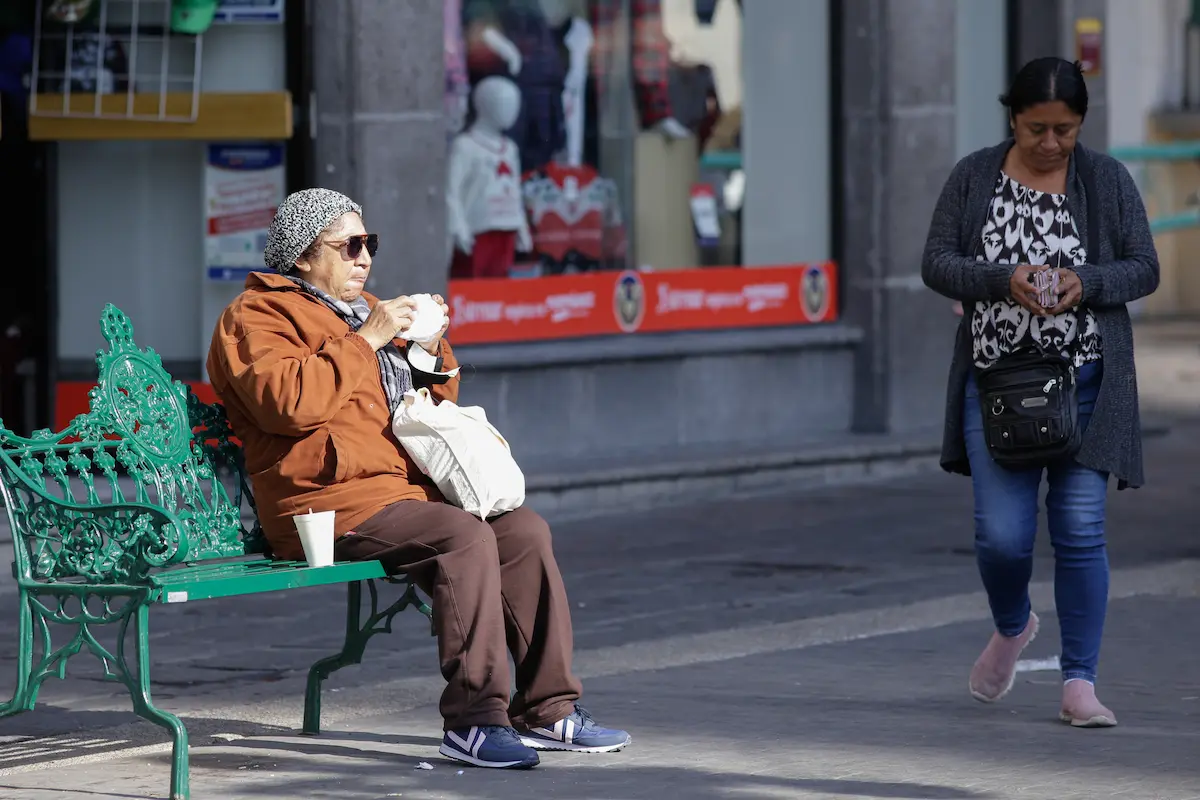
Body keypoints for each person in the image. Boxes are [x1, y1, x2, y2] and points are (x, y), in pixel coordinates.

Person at [207, 188, 630, 769]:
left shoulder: (364, 311)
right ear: (303, 255)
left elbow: (425, 405)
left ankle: (548, 710)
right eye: (350, 245)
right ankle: (475, 721)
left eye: (369, 243)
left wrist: (431, 347)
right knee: (464, 537)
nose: (365, 258)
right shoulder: (254, 316)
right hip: (324, 505)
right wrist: (368, 340)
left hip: (402, 492)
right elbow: (289, 404)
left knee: (524, 532)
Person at [921, 58, 1159, 728]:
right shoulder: (976, 176)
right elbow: (935, 261)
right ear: (1012, 119)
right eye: (1036, 129)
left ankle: (1079, 682)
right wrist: (1003, 279)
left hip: (1087, 385)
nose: (1051, 143)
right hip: (997, 387)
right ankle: (1013, 622)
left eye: (1065, 129)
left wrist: (1086, 282)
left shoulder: (1106, 180)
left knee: (1081, 530)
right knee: (1001, 538)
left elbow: (1144, 266)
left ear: (1081, 124)